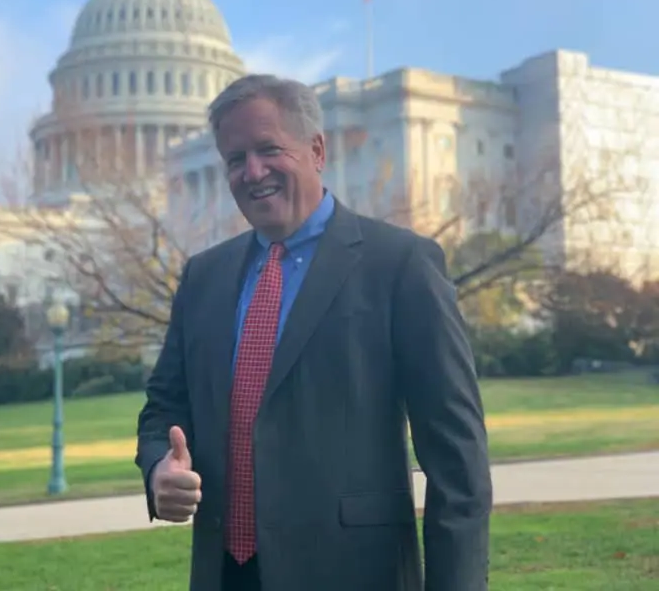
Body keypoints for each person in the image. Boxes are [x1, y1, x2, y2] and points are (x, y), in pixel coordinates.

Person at [135, 74, 492, 591]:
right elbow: (164, 407)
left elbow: (458, 463)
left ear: (317, 149)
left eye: (269, 149)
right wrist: (158, 469)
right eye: (235, 159)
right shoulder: (203, 277)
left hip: (354, 574)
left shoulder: (399, 265)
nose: (252, 172)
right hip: (224, 575)